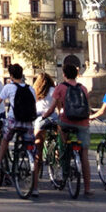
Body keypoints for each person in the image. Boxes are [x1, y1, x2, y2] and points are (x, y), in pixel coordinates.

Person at [41, 62, 93, 197]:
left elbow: (52, 108)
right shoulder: (83, 88)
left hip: (66, 121)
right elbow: (87, 106)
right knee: (84, 156)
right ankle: (87, 189)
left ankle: (65, 164)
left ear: (64, 75)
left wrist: (44, 116)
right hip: (83, 123)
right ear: (76, 74)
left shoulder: (60, 87)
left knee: (62, 140)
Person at [0, 63, 37, 190]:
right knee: (30, 144)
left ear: (11, 75)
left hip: (14, 120)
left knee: (5, 139)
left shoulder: (9, 87)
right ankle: (30, 160)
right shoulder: (31, 88)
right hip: (28, 122)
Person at [31, 72, 57, 189]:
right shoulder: (54, 90)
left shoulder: (34, 91)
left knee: (38, 149)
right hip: (53, 118)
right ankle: (57, 154)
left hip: (40, 118)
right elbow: (59, 107)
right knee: (57, 136)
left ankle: (35, 183)